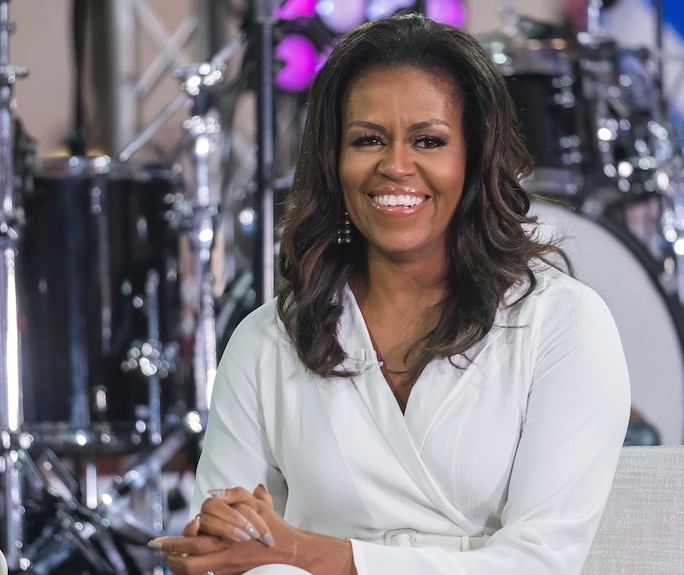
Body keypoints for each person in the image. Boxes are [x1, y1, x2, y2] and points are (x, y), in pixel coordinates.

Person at [149, 13, 630, 575]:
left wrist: (307, 553)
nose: (396, 166)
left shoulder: (564, 324)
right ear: (333, 161)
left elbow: (539, 565)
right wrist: (217, 543)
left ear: (475, 159)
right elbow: (232, 547)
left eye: (429, 140)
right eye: (367, 140)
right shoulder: (266, 339)